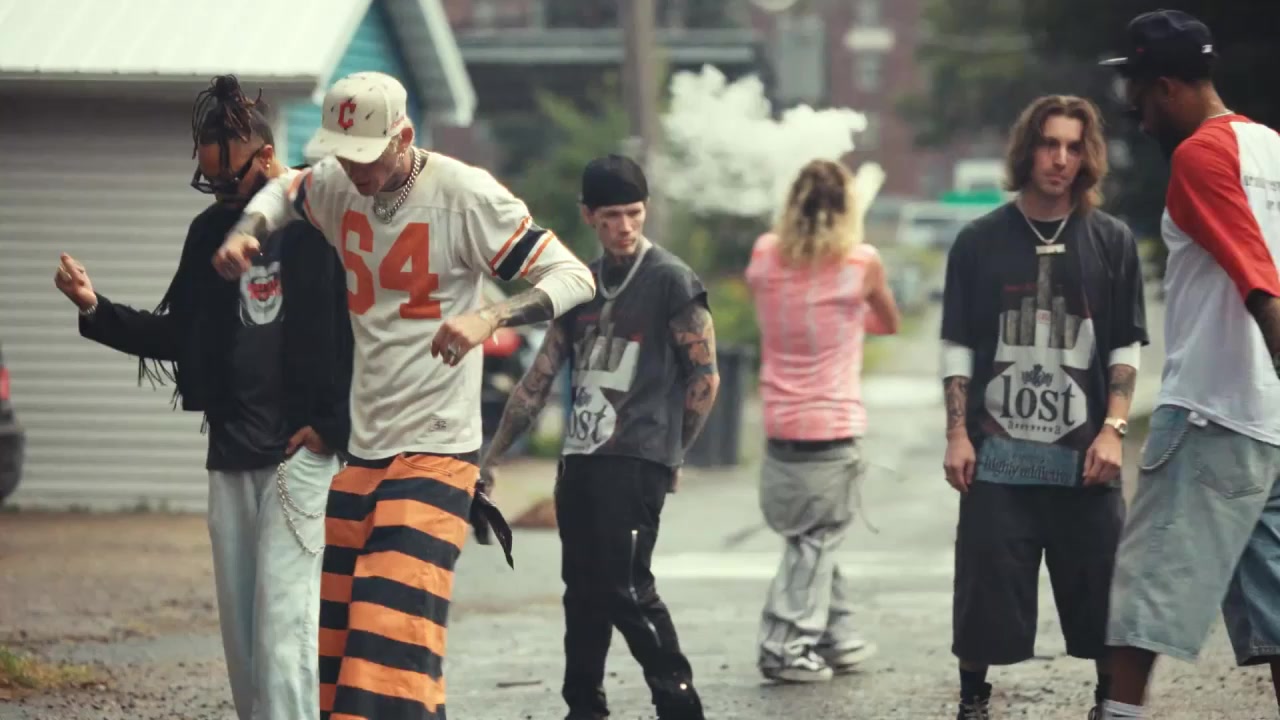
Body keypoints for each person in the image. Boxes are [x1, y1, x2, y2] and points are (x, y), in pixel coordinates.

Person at [212, 71, 596, 720]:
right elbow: (285, 188)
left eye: (365, 156)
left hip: (438, 451)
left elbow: (574, 276)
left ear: (405, 137)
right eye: (342, 155)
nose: (353, 171)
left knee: (385, 638)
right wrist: (247, 229)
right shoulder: (335, 182)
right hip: (364, 452)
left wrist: (489, 317)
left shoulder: (464, 195)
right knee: (347, 655)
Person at [53, 75, 352, 720]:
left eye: (226, 179)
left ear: (266, 157)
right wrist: (95, 307)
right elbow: (179, 334)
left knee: (284, 626)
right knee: (242, 634)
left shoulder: (319, 226)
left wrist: (334, 426)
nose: (217, 191)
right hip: (231, 451)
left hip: (299, 455)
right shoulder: (208, 233)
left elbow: (362, 331)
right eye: (209, 180)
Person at [478, 154, 719, 720]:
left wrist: (673, 454)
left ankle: (680, 706)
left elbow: (704, 378)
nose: (625, 226)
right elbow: (538, 380)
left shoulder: (671, 281)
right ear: (589, 215)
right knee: (583, 593)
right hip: (581, 460)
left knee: (626, 587)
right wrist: (492, 457)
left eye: (635, 213)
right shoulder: (580, 285)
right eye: (612, 216)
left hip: (637, 456)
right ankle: (584, 707)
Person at [939, 94, 1149, 719]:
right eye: (1049, 144)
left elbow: (1125, 342)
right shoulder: (978, 241)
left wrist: (1114, 429)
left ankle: (1108, 702)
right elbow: (956, 342)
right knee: (983, 588)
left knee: (1102, 586)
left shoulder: (1111, 241)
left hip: (1085, 457)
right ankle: (973, 699)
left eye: (1073, 147)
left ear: (1088, 157)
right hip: (998, 459)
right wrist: (957, 433)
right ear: (1027, 150)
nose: (1060, 159)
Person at [1098, 11, 1280, 719]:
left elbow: (1254, 273)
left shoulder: (1200, 155)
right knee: (1277, 614)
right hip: (1269, 424)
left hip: (1211, 410)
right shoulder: (1271, 147)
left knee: (1142, 591)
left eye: (1139, 96)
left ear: (1168, 86)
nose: (1138, 115)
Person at [743, 158, 899, 683]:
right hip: (831, 427)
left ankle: (838, 635)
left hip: (779, 426)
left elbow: (771, 293)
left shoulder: (764, 254)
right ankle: (784, 645)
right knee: (817, 538)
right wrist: (849, 313)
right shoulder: (862, 263)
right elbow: (888, 322)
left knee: (813, 536)